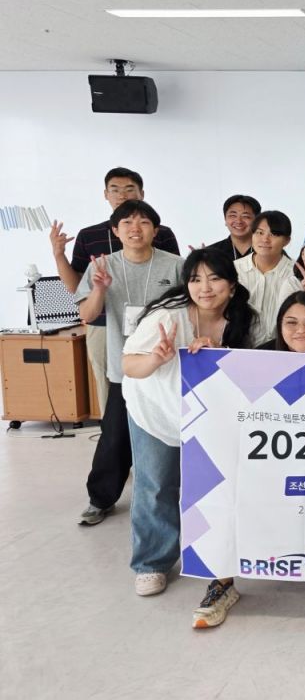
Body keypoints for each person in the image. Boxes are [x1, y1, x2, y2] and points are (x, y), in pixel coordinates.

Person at [195, 291, 305, 629]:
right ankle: (221, 583)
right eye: (291, 323)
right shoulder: (261, 357)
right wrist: (207, 357)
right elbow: (225, 394)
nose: (301, 330)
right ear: (279, 326)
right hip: (275, 464)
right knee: (226, 494)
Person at [121, 249, 254, 600]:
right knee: (156, 484)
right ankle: (151, 563)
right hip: (156, 410)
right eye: (195, 279)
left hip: (209, 418)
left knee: (214, 486)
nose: (204, 288)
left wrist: (216, 352)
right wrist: (156, 358)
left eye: (214, 278)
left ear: (232, 285)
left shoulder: (244, 319)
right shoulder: (167, 317)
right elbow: (128, 365)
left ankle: (217, 555)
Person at [73, 200, 183, 527]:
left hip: (167, 365)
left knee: (172, 433)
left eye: (144, 222)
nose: (136, 229)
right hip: (124, 368)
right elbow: (87, 315)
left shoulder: (175, 265)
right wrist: (98, 289)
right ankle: (100, 499)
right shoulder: (102, 266)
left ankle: (178, 495)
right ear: (115, 231)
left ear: (155, 230)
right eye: (127, 223)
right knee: (114, 437)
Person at [49, 167, 179, 417]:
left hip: (156, 327)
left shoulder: (161, 233)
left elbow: (174, 280)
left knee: (158, 381)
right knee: (110, 384)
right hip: (105, 322)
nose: (122, 195)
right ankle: (111, 426)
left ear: (141, 193)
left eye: (129, 189)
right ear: (105, 194)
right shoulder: (89, 235)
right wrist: (59, 256)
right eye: (115, 190)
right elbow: (78, 288)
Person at [234, 210, 293, 346]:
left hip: (281, 349)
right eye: (259, 233)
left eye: (273, 234)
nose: (265, 239)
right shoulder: (234, 269)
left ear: (286, 241)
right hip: (238, 348)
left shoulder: (296, 274)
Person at [206, 194, 261, 260]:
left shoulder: (268, 250)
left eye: (245, 216)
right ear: (225, 219)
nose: (239, 221)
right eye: (233, 216)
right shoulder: (211, 253)